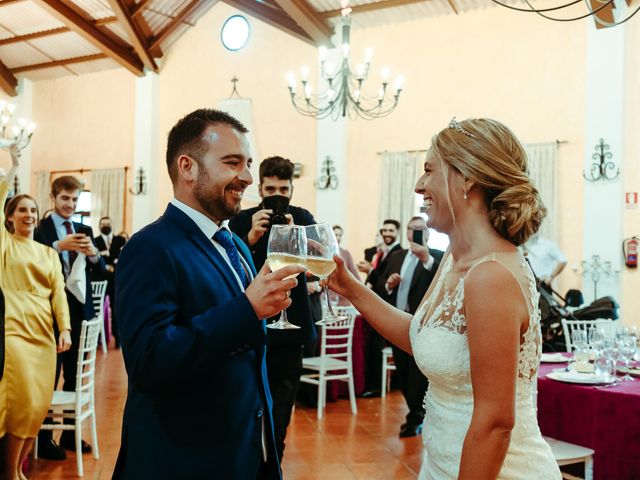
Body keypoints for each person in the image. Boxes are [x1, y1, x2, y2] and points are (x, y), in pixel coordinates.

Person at [327, 118, 561, 479]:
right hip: (441, 464)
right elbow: (421, 337)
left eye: (428, 170)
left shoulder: (491, 276)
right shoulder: (455, 258)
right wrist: (351, 288)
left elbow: (495, 422)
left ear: (467, 178)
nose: (420, 185)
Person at [113, 109, 301, 479]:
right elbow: (149, 362)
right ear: (188, 167)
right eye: (233, 163)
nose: (247, 178)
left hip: (245, 452)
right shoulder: (150, 247)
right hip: (184, 460)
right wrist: (247, 309)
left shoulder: (236, 244)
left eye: (248, 164)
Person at [229, 155, 317, 463]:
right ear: (261, 189)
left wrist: (297, 237)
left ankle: (274, 460)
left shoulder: (303, 217)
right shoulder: (242, 219)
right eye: (270, 188)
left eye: (283, 188)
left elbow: (318, 266)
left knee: (281, 407)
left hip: (291, 326)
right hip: (251, 324)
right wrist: (250, 238)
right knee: (246, 402)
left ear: (292, 188)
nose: (277, 195)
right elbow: (231, 271)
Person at [0, 149, 71, 479]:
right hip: (13, 332)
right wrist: (10, 169)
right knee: (20, 401)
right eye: (21, 210)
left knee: (37, 404)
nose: (28, 214)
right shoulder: (5, 245)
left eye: (32, 210)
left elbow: (59, 293)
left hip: (43, 335)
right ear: (10, 217)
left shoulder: (47, 253)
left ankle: (17, 469)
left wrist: (65, 329)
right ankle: (10, 471)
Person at [34, 175, 104, 458]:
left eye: (75, 200)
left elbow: (100, 274)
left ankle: (67, 435)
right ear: (53, 198)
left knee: (75, 374)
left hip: (79, 311)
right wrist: (57, 248)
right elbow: (34, 261)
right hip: (48, 312)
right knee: (50, 375)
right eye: (65, 198)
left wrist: (93, 255)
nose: (70, 204)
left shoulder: (85, 228)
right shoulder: (40, 229)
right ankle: (43, 438)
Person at [375, 217, 443, 438]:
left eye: (420, 229)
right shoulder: (396, 256)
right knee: (403, 373)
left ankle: (416, 416)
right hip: (398, 325)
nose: (415, 232)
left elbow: (443, 286)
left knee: (417, 375)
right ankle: (415, 412)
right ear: (406, 233)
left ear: (428, 233)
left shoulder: (437, 257)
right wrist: (389, 283)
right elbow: (378, 285)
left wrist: (426, 260)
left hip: (424, 327)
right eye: (411, 229)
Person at [361, 219, 402, 398]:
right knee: (371, 345)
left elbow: (384, 283)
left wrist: (370, 270)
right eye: (384, 230)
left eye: (390, 230)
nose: (386, 233)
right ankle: (370, 383)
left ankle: (377, 386)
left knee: (376, 346)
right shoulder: (380, 253)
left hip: (388, 306)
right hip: (376, 305)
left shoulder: (399, 253)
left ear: (397, 232)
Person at [93, 216, 127, 347]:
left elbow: (122, 257)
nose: (105, 225)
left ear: (112, 225)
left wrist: (108, 258)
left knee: (116, 309)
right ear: (100, 226)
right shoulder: (95, 241)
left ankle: (118, 338)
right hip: (100, 279)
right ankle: (97, 339)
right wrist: (107, 261)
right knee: (98, 309)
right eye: (103, 224)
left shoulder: (120, 240)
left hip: (116, 280)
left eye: (108, 223)